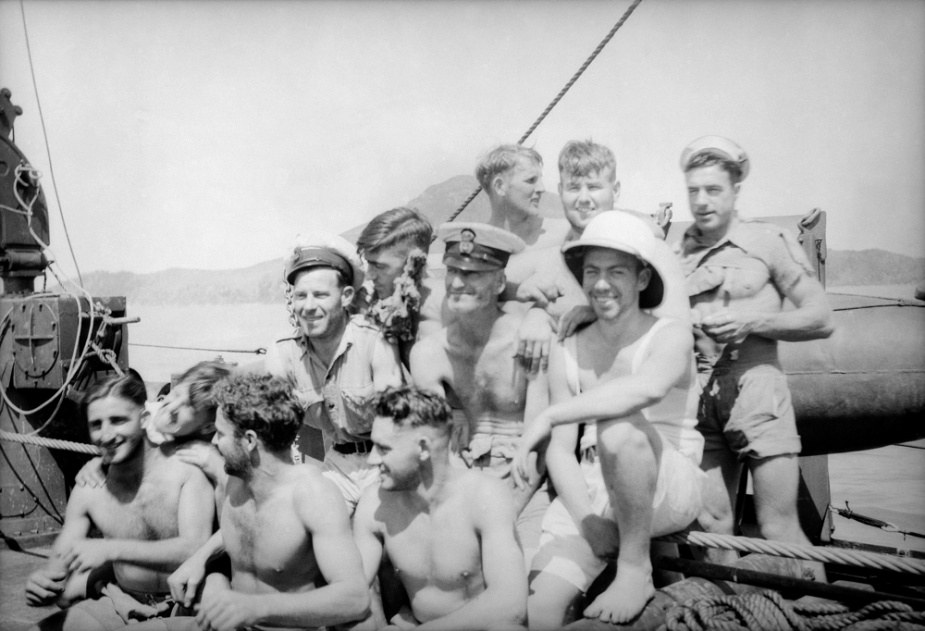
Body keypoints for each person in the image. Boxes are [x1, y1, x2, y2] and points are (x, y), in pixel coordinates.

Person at [513, 212, 705, 626]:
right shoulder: (569, 346)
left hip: (665, 485)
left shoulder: (670, 335)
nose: (601, 284)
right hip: (593, 490)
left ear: (641, 279)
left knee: (618, 428)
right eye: (592, 271)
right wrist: (587, 520)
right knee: (540, 610)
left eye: (617, 271)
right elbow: (562, 452)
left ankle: (635, 570)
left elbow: (646, 390)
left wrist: (548, 415)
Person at [676, 136, 833, 574]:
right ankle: (730, 611)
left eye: (714, 190)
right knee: (710, 524)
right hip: (699, 397)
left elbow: (821, 317)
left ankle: (816, 611)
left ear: (736, 190)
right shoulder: (679, 253)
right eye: (693, 191)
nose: (702, 201)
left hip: (757, 386)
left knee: (778, 528)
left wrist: (751, 323)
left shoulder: (768, 240)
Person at [167, 372, 369, 631]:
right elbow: (255, 532)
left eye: (220, 433)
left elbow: (355, 598)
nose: (215, 442)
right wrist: (200, 559)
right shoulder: (235, 481)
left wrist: (254, 608)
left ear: (250, 440)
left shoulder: (313, 495)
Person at [25, 372, 214, 631]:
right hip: (121, 601)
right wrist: (45, 583)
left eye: (118, 420)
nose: (106, 435)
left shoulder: (185, 469)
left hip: (187, 604)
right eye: (96, 424)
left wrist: (111, 549)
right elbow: (61, 560)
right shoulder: (89, 489)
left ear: (144, 419)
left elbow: (194, 548)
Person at [410, 222, 551, 566]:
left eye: (473, 274)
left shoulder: (528, 341)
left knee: (524, 573)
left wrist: (504, 514)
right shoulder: (429, 353)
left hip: (529, 482)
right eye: (453, 270)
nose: (458, 283)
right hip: (469, 477)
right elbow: (436, 444)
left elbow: (540, 444)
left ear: (500, 283)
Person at [352, 385, 527, 631]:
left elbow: (511, 605)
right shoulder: (375, 503)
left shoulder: (484, 495)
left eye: (383, 449)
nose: (371, 459)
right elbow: (351, 592)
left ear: (423, 449)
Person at [258, 231, 405, 512]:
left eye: (321, 295)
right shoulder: (283, 354)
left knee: (371, 524)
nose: (309, 306)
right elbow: (273, 429)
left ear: (346, 295)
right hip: (336, 462)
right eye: (301, 296)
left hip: (384, 459)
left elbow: (396, 421)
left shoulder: (375, 340)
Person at [515, 139, 690, 324]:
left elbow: (677, 332)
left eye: (593, 187)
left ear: (615, 191)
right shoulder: (553, 256)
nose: (583, 198)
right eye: (573, 187)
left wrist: (600, 318)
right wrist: (537, 315)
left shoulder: (654, 253)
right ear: (560, 191)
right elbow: (492, 280)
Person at [355, 206, 445, 365]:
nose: (370, 276)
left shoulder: (446, 313)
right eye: (369, 264)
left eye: (380, 266)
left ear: (413, 263)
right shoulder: (378, 303)